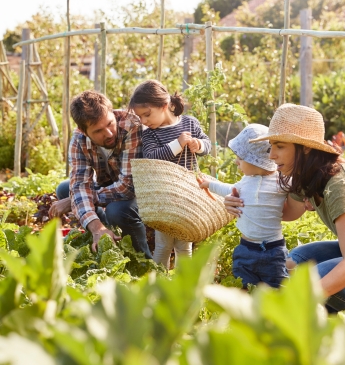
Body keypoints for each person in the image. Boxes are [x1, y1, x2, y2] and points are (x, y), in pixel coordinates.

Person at [225, 103, 345, 316]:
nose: (271, 155)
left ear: (305, 147)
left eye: (280, 146)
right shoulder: (309, 176)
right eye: (271, 146)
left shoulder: (338, 184)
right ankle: (332, 315)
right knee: (294, 262)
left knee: (314, 278)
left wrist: (301, 302)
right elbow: (285, 213)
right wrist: (239, 200)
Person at [49, 90, 152, 258]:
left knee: (117, 210)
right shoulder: (78, 141)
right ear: (84, 131)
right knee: (65, 189)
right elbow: (80, 184)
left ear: (113, 114)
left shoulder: (131, 125)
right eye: (98, 131)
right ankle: (106, 239)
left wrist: (78, 200)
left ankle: (144, 260)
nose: (109, 133)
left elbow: (127, 187)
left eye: (110, 124)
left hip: (139, 190)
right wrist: (96, 226)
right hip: (111, 185)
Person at [129, 79, 211, 270]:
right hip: (163, 197)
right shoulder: (150, 134)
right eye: (140, 117)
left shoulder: (190, 123)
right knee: (163, 245)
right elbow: (151, 157)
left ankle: (184, 285)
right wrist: (178, 144)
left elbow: (206, 144)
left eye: (147, 114)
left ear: (164, 105)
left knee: (184, 245)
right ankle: (159, 286)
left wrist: (198, 145)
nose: (144, 121)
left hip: (186, 193)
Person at [198, 124, 289, 288]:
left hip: (274, 251)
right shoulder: (245, 181)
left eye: (241, 158)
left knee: (277, 289)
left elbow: (299, 188)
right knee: (243, 286)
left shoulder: (281, 181)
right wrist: (209, 184)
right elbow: (228, 188)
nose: (236, 161)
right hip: (246, 248)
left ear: (256, 161)